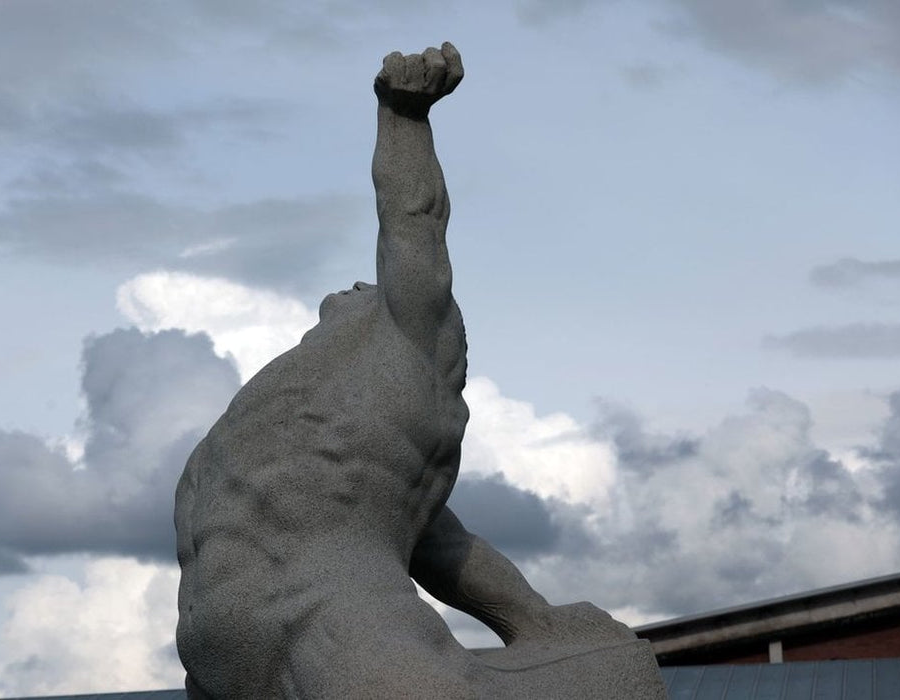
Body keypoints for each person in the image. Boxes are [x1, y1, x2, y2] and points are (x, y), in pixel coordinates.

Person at [175, 43, 633, 699]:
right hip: (234, 652)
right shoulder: (276, 413)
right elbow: (435, 543)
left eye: (376, 287)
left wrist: (403, 117)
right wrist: (538, 621)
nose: (356, 285)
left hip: (326, 625)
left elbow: (414, 222)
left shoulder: (401, 349)